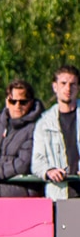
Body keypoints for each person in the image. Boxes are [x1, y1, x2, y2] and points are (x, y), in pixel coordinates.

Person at [32, 65, 80, 199]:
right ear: (55, 87)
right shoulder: (44, 123)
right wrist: (49, 171)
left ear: (78, 87)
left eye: (72, 84)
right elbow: (37, 161)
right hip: (60, 194)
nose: (68, 88)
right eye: (63, 83)